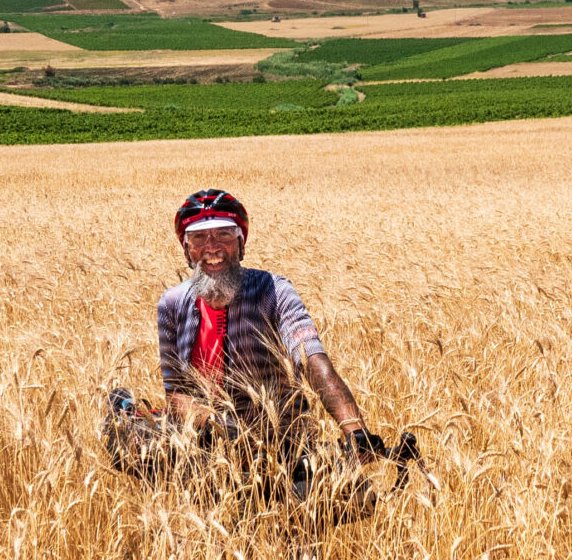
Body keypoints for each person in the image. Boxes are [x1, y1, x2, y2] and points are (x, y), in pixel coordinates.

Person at [104, 189, 393, 511]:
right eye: (199, 238)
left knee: (328, 514)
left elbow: (313, 360)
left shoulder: (274, 291)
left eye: (224, 234)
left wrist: (355, 431)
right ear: (186, 249)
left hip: (281, 441)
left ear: (241, 243)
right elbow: (177, 393)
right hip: (208, 444)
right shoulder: (172, 304)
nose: (212, 247)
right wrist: (225, 431)